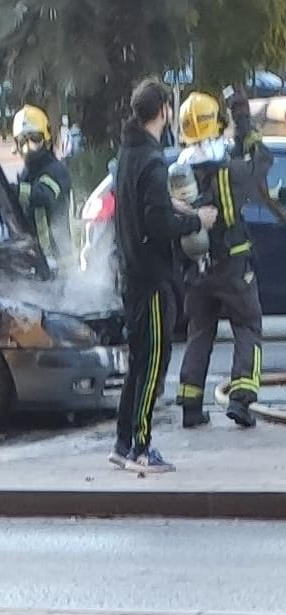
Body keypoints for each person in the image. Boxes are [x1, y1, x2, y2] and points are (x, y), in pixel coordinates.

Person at [110, 78, 218, 473]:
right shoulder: (153, 160)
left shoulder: (129, 153)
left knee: (139, 361)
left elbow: (144, 204)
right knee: (154, 362)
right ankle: (141, 447)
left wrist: (173, 206)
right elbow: (157, 224)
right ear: (163, 112)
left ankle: (122, 443)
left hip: (131, 276)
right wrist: (195, 220)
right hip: (152, 278)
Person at [174, 89, 273, 429]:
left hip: (198, 272)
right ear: (216, 123)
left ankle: (190, 403)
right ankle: (241, 402)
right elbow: (262, 161)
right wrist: (244, 120)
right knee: (248, 327)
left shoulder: (180, 175)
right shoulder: (231, 171)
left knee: (199, 333)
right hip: (234, 268)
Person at [12, 104, 73, 274]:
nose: (28, 147)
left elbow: (43, 195)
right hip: (36, 261)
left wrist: (12, 190)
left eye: (34, 139)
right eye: (23, 141)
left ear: (46, 138)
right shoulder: (26, 175)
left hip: (60, 264)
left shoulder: (57, 170)